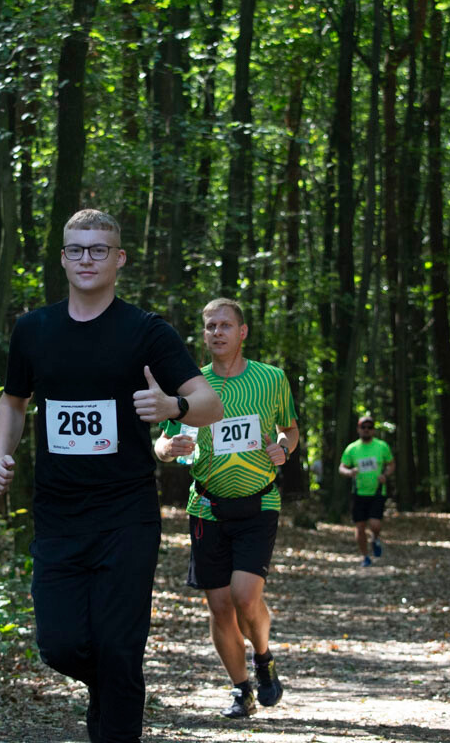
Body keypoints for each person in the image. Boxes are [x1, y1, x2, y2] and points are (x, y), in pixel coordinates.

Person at [0, 210, 223, 743]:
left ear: (119, 259)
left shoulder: (146, 331)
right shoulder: (33, 329)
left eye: (98, 250)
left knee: (118, 648)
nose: (86, 259)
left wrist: (172, 404)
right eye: (76, 249)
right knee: (61, 645)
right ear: (63, 257)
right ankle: (118, 687)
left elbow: (210, 403)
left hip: (126, 516)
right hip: (58, 515)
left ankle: (117, 706)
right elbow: (14, 400)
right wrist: (0, 453)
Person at [153, 298, 298, 720]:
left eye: (225, 325)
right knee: (219, 607)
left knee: (243, 596)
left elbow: (291, 430)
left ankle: (264, 655)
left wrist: (283, 448)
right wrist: (169, 449)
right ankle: (241, 689)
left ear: (242, 332)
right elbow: (163, 443)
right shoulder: (190, 385)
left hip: (259, 502)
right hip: (207, 506)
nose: (217, 332)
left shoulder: (271, 379)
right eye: (210, 326)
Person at [338, 416, 395, 567]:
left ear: (373, 430)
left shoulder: (382, 446)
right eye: (363, 427)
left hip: (377, 492)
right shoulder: (352, 448)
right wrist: (350, 472)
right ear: (358, 429)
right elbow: (341, 467)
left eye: (369, 427)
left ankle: (375, 538)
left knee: (375, 524)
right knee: (360, 527)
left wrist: (385, 475)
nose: (366, 430)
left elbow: (391, 464)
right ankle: (365, 557)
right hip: (358, 493)